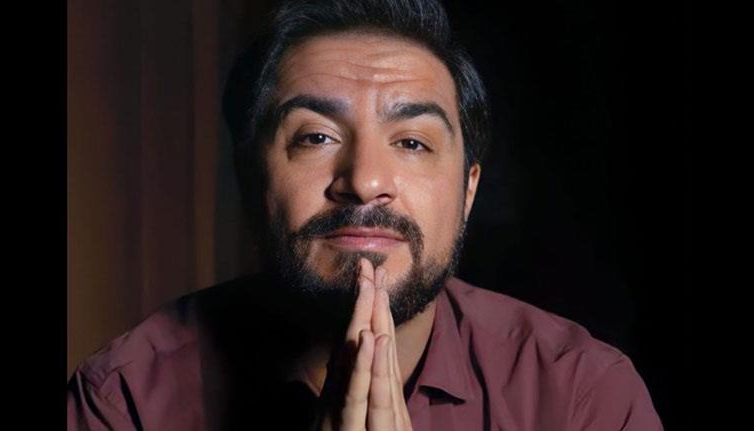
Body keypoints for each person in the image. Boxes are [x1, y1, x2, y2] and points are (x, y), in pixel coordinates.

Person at [67, 0, 663, 429]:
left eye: (412, 142)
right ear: (249, 180)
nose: (365, 181)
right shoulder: (124, 402)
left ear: (468, 192)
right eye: (317, 137)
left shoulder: (582, 397)